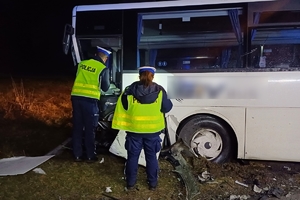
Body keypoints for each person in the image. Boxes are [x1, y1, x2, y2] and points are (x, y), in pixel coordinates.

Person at [112, 66, 173, 190]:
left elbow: (124, 107)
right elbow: (167, 108)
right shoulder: (160, 91)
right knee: (151, 157)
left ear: (139, 76)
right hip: (152, 132)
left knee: (132, 157)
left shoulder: (129, 90)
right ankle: (153, 184)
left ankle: (130, 183)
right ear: (152, 76)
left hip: (134, 131)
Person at [71, 46, 111, 163]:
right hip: (90, 101)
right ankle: (90, 155)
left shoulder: (81, 64)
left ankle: (77, 155)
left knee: (77, 127)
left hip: (76, 98)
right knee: (90, 129)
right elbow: (105, 87)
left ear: (95, 54)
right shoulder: (103, 68)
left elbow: (74, 75)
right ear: (105, 59)